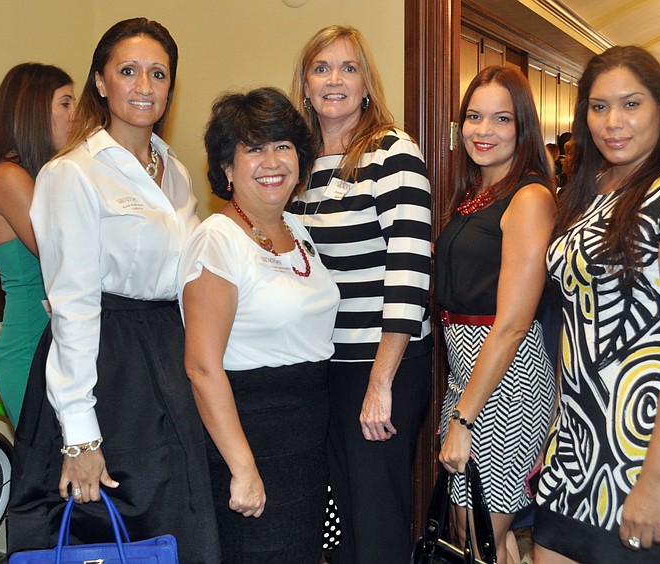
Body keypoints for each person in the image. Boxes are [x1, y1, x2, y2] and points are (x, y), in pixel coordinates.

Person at [7, 18, 220, 563]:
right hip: (106, 364)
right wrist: (80, 437)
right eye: (128, 72)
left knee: (177, 525)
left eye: (158, 74)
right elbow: (72, 305)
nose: (144, 87)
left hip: (169, 360)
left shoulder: (173, 170)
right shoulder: (71, 174)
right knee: (106, 531)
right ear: (101, 83)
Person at [535, 46, 660, 563]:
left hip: (650, 453)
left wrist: (655, 481)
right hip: (576, 450)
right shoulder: (591, 190)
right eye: (598, 108)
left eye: (631, 104)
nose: (612, 123)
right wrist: (556, 431)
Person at [289, 25, 433, 564]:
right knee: (339, 514)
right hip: (323, 364)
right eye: (321, 68)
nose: (334, 80)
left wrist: (380, 382)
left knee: (375, 517)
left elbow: (409, 270)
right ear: (304, 84)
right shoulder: (296, 162)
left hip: (382, 359)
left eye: (348, 68)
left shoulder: (392, 153)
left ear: (367, 83)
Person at [179, 87, 340, 562]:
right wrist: (243, 467)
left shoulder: (298, 230)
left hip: (306, 439)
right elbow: (202, 369)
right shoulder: (217, 240)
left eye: (282, 145)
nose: (272, 161)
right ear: (227, 168)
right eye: (253, 148)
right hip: (251, 438)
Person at [435, 65, 557, 564]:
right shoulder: (472, 194)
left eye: (501, 119)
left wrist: (464, 418)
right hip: (466, 378)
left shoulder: (529, 197)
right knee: (487, 540)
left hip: (510, 385)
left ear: (523, 126)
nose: (483, 131)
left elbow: (512, 323)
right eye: (473, 117)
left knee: (479, 531)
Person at [0, 63, 74, 425]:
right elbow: (63, 254)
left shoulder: (30, 175)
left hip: (49, 342)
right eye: (65, 103)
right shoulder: (7, 177)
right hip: (32, 346)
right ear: (33, 111)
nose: (75, 116)